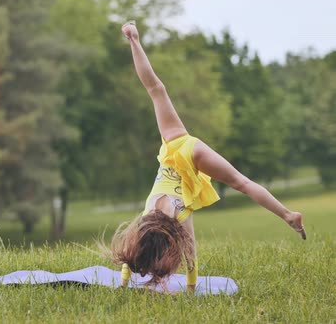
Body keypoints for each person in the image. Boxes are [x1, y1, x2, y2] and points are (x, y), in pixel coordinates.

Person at [107, 21, 307, 293]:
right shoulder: (147, 216)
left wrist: (131, 284)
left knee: (241, 183)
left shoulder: (179, 217)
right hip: (177, 145)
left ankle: (287, 214)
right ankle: (287, 215)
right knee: (156, 91)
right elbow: (144, 252)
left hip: (189, 152)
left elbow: (191, 257)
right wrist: (134, 39)